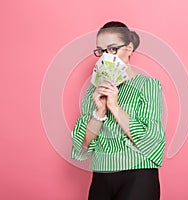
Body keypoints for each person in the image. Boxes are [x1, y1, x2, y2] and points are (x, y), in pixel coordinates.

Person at [71, 21, 166, 200]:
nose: (106, 56)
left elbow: (152, 140)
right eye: (101, 50)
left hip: (138, 175)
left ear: (129, 48)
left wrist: (114, 106)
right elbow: (83, 144)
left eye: (113, 49)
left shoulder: (148, 85)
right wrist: (99, 112)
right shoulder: (94, 90)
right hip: (101, 175)